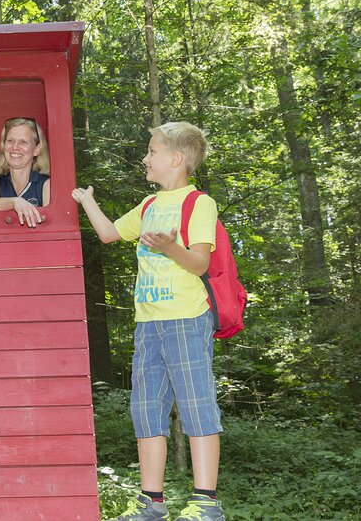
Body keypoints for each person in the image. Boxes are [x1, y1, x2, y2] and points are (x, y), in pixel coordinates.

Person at [72, 122, 225, 521]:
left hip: (187, 321)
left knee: (196, 407)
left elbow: (200, 262)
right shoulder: (148, 206)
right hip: (148, 325)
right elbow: (107, 234)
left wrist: (171, 246)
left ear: (175, 159)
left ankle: (206, 504)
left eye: (152, 151)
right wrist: (86, 201)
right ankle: (150, 504)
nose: (145, 158)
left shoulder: (199, 203)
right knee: (146, 411)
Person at [0, 117, 50, 227]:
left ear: (36, 149)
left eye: (23, 142)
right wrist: (15, 202)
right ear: (4, 146)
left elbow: (51, 223)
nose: (15, 147)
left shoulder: (46, 184)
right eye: (10, 141)